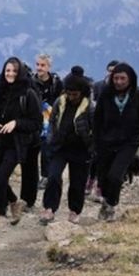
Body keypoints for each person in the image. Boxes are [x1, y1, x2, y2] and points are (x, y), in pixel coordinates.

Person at [0, 56, 43, 235]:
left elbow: (36, 122)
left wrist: (16, 123)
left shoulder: (27, 94)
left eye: (14, 71)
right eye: (8, 70)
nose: (10, 74)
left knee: (0, 179)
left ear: (20, 72)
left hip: (16, 145)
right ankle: (14, 202)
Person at [92, 62, 139, 221]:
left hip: (128, 144)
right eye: (116, 78)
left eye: (123, 79)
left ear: (131, 79)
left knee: (115, 176)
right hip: (106, 143)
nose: (119, 82)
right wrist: (95, 144)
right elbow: (97, 122)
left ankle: (111, 206)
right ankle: (106, 201)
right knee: (104, 178)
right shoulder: (106, 95)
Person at [40, 74, 93, 224]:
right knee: (53, 177)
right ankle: (49, 208)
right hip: (60, 146)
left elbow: (95, 128)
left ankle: (75, 210)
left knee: (78, 181)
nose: (71, 97)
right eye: (68, 93)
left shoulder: (90, 106)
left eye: (74, 94)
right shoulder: (60, 102)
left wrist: (91, 146)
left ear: (82, 92)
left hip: (81, 149)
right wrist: (51, 139)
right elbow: (52, 120)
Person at [86, 59, 119, 201]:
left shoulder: (121, 88)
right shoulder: (98, 86)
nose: (112, 73)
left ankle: (100, 187)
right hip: (98, 126)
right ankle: (90, 181)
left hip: (114, 129)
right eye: (110, 70)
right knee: (95, 157)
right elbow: (91, 104)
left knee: (108, 159)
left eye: (115, 71)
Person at [30, 53, 64, 195]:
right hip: (34, 120)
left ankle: (45, 176)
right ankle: (33, 177)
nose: (39, 68)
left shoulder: (56, 83)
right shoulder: (30, 81)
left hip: (50, 121)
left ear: (49, 67)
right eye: (37, 64)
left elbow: (61, 101)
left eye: (42, 65)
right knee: (32, 150)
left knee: (46, 149)